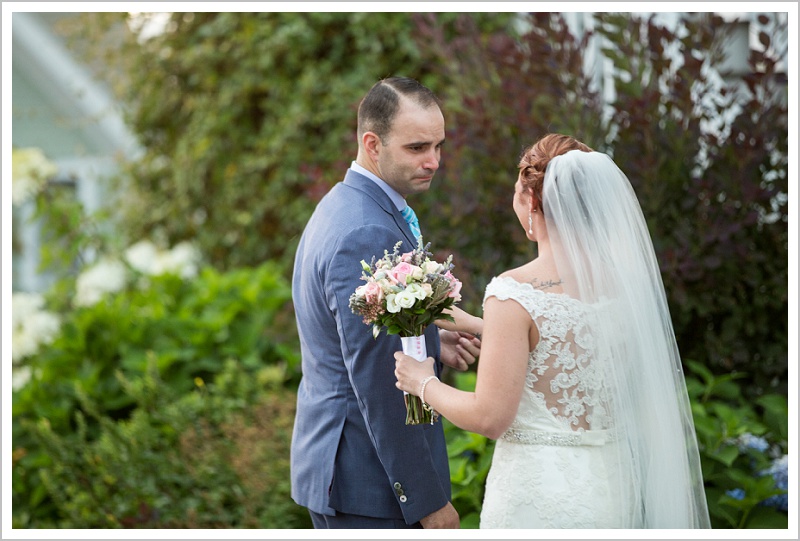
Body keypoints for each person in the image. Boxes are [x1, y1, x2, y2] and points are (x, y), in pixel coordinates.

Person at [394, 133, 711, 528]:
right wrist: (483, 326)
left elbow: (490, 417)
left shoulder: (514, 292)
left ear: (531, 202)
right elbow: (564, 343)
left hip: (538, 498)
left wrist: (421, 382)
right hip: (611, 491)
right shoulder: (626, 287)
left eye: (516, 192)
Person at [291, 77, 481, 529]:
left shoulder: (343, 204)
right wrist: (426, 499)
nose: (434, 161)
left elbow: (369, 341)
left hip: (348, 469)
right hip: (369, 483)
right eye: (417, 148)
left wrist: (432, 340)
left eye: (438, 145)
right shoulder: (365, 231)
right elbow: (376, 376)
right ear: (372, 144)